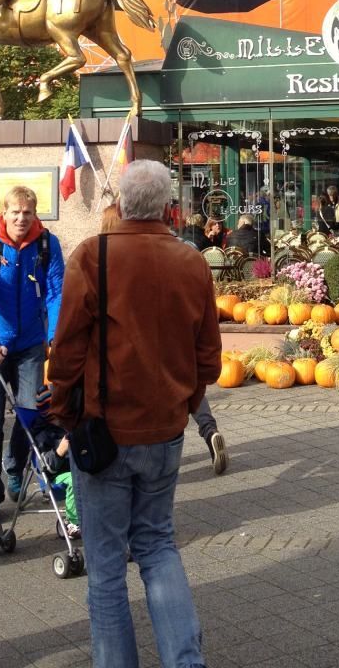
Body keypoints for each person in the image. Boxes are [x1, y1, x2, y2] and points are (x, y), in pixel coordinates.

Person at [49, 161, 221, 668]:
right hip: (164, 429)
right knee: (158, 546)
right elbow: (208, 357)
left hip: (103, 430)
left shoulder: (93, 255)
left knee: (104, 569)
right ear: (169, 207)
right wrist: (187, 404)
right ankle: (184, 661)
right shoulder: (190, 261)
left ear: (121, 203)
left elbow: (67, 350)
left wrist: (64, 412)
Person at [101, 201, 228, 476]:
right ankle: (209, 430)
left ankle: (155, 447)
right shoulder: (183, 250)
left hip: (140, 343)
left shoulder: (111, 258)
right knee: (190, 384)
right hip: (178, 334)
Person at [0, 185, 65, 524]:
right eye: (15, 212)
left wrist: (56, 338)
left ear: (35, 214)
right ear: (3, 214)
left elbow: (55, 293)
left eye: (28, 212)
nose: (21, 218)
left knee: (29, 417)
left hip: (30, 346)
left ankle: (13, 468)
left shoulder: (47, 245)